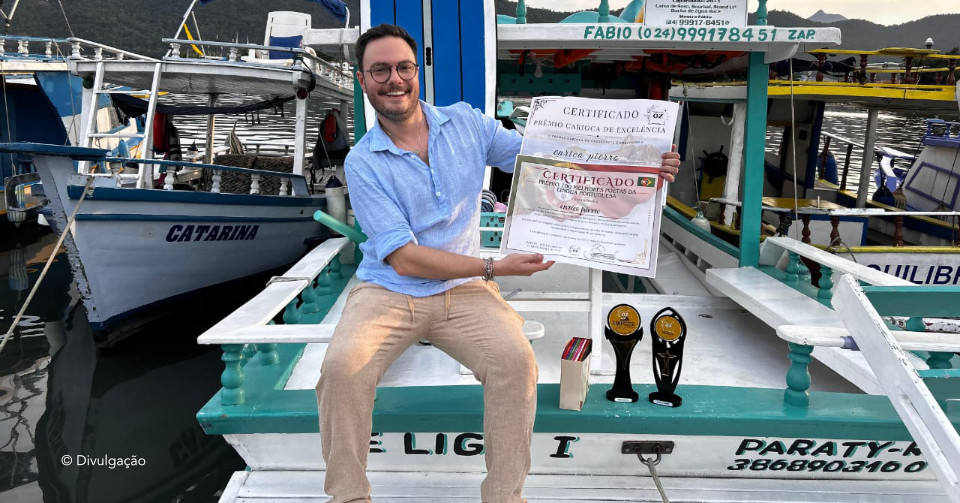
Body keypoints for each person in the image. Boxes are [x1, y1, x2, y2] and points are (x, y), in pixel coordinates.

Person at [315, 24, 681, 503]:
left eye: (403, 67)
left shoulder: (465, 124)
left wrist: (639, 165)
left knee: (515, 364)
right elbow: (404, 259)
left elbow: (542, 157)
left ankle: (505, 496)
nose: (394, 79)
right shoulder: (364, 162)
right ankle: (349, 496)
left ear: (417, 72)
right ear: (362, 80)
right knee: (342, 371)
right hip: (389, 289)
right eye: (379, 70)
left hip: (463, 289)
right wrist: (495, 268)